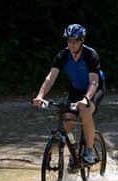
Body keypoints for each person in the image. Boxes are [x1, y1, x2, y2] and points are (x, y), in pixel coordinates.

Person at [33, 23, 105, 164]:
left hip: (94, 88)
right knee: (67, 118)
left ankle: (89, 151)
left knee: (85, 112)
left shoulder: (90, 55)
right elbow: (50, 77)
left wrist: (85, 100)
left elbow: (94, 82)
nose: (72, 44)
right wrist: (40, 96)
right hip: (76, 89)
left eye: (75, 40)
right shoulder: (63, 55)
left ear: (82, 41)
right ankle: (75, 149)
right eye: (69, 41)